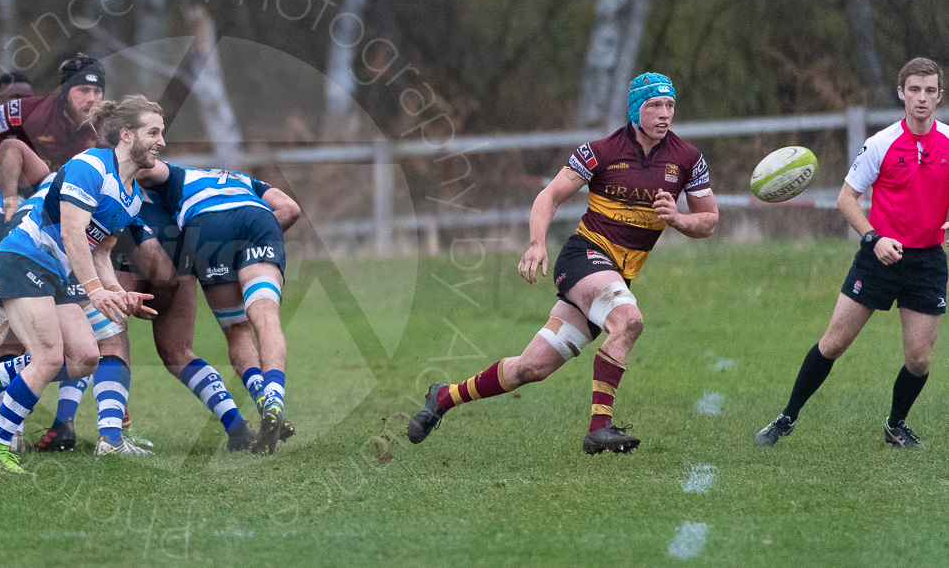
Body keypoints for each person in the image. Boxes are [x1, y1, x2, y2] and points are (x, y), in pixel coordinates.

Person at [405, 72, 717, 454]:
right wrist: (537, 243)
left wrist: (678, 220)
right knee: (629, 321)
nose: (664, 114)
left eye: (669, 105)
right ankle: (599, 428)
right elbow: (549, 195)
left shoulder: (687, 159)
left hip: (615, 276)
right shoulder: (599, 151)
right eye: (654, 105)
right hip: (584, 257)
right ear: (636, 109)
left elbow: (708, 220)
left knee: (530, 368)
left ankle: (442, 398)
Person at [0, 95, 162, 476]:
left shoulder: (133, 198)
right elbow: (71, 232)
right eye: (153, 132)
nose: (161, 142)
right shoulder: (90, 166)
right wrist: (95, 291)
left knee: (85, 358)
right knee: (50, 356)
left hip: (56, 272)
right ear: (125, 135)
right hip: (23, 257)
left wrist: (118, 293)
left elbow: (99, 253)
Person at [756, 58, 949, 448]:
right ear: (901, 93)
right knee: (833, 344)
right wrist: (873, 238)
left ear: (940, 95)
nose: (922, 98)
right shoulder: (880, 144)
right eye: (914, 90)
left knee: (919, 361)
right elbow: (847, 199)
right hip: (877, 258)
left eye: (930, 90)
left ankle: (896, 425)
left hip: (927, 263)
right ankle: (786, 417)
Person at [140, 161, 303, 454]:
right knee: (266, 317)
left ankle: (263, 401)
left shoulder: (178, 174)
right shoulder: (242, 179)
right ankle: (275, 401)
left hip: (209, 225)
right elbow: (290, 209)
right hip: (259, 220)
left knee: (237, 330)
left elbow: (143, 168)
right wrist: (251, 250)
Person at [0, 54, 105, 179]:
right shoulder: (29, 110)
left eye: (97, 92)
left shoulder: (112, 123)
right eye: (83, 90)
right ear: (65, 92)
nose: (91, 99)